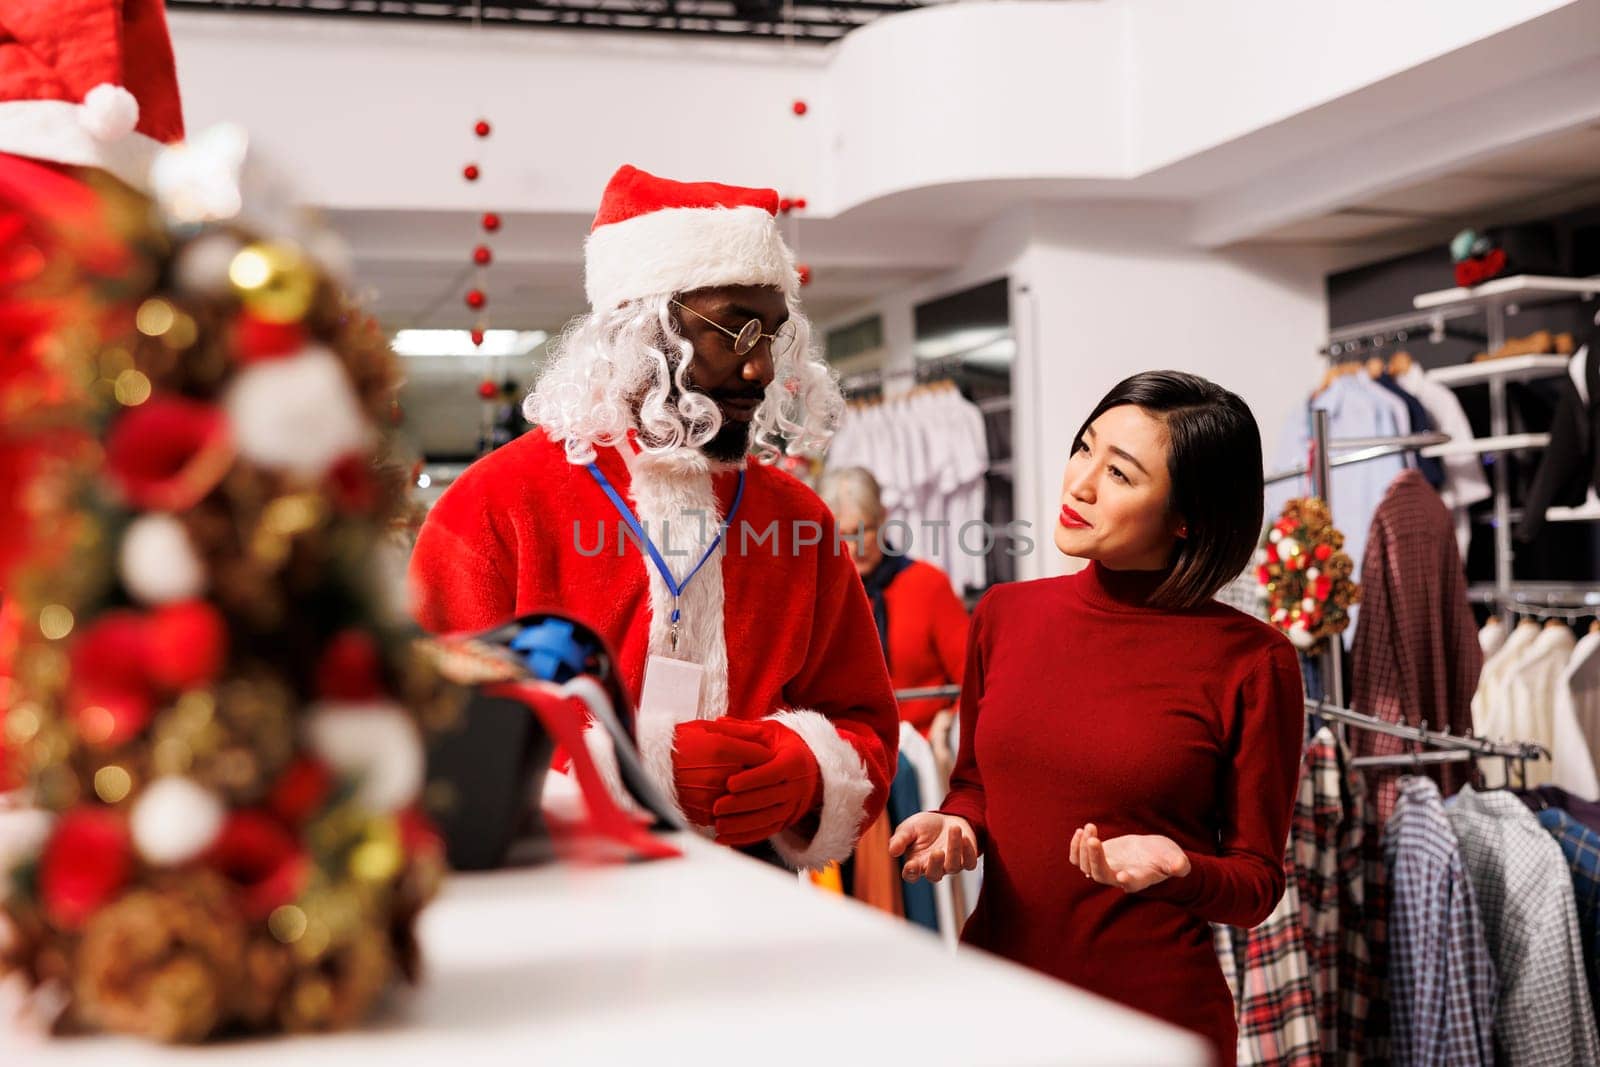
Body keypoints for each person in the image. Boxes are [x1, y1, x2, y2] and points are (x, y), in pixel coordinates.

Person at [409, 165, 898, 870]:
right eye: (737, 330)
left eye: (772, 336)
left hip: (753, 911)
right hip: (558, 898)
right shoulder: (492, 507)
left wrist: (811, 767)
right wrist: (626, 773)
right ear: (646, 327)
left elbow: (868, 722)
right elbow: (435, 749)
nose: (761, 368)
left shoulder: (801, 520)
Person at [889, 371, 1304, 1064]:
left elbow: (1257, 883)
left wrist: (1180, 867)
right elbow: (976, 785)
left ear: (1186, 515)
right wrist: (958, 822)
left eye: (1119, 472)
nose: (1080, 482)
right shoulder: (1003, 615)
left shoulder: (1255, 660)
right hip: (997, 1002)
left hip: (1152, 1024)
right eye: (1085, 448)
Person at [819, 467, 968, 734]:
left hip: (920, 744)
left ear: (884, 519)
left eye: (863, 531)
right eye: (844, 535)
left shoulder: (927, 585)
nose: (855, 548)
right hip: (846, 748)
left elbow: (975, 679)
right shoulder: (819, 597)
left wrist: (949, 723)